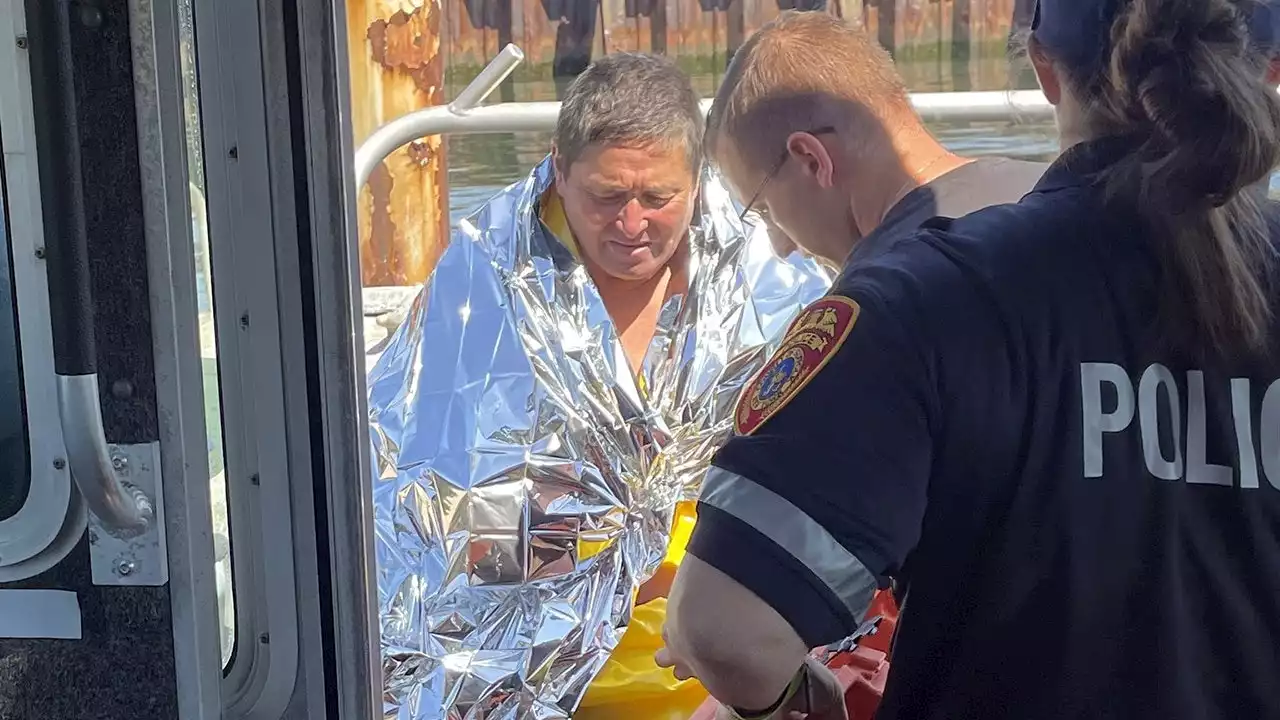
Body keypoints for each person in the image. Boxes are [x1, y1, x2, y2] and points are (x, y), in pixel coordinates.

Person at [659, 0, 1280, 719]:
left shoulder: (927, 299)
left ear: (1044, 69)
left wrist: (807, 696)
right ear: (1267, 70)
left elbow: (722, 632)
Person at [368, 52, 831, 720]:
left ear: (698, 179)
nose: (633, 224)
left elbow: (820, 484)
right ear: (558, 170)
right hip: (524, 644)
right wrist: (591, 536)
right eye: (606, 197)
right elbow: (434, 518)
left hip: (724, 653)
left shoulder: (771, 280)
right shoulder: (487, 279)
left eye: (657, 198)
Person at [709, 11, 1046, 268]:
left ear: (812, 160)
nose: (783, 247)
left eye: (766, 210)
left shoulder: (881, 296)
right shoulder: (1061, 191)